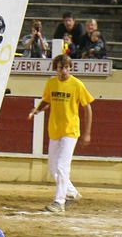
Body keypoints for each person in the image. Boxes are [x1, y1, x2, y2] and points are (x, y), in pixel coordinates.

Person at [28, 54, 93, 213]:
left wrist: (87, 133)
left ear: (70, 68)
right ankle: (71, 193)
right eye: (60, 68)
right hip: (55, 129)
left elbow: (88, 107)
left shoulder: (77, 85)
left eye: (66, 67)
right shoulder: (51, 83)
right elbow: (47, 100)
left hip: (70, 130)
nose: (63, 71)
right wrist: (37, 109)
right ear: (56, 69)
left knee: (62, 166)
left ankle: (59, 201)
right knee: (52, 167)